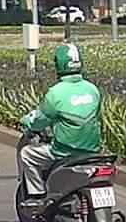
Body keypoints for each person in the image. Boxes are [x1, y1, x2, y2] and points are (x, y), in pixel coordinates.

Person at [18, 42, 103, 210]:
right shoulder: (92, 90)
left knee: (27, 154)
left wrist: (27, 122)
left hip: (63, 151)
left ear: (59, 65)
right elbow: (98, 117)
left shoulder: (56, 93)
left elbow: (40, 120)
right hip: (92, 150)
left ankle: (37, 195)